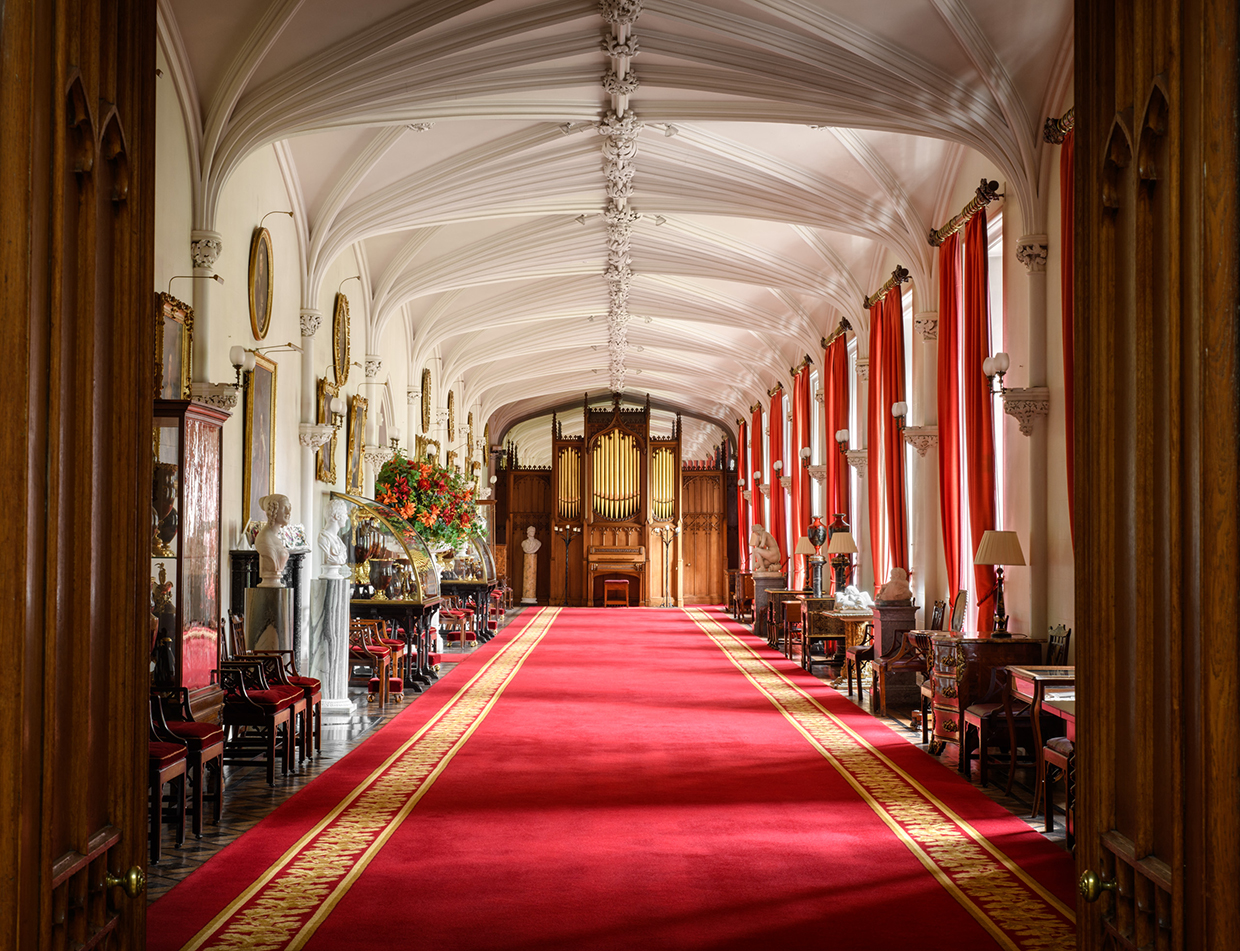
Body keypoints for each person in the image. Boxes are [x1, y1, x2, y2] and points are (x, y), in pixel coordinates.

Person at [255, 494, 291, 587]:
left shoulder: (275, 538)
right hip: (269, 585)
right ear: (273, 510)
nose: (288, 512)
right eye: (284, 508)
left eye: (289, 507)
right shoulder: (264, 538)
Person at [318, 498, 349, 579]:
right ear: (337, 516)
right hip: (328, 575)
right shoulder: (323, 539)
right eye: (345, 514)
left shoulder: (338, 541)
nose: (347, 518)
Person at [521, 525, 540, 604]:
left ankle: (531, 597)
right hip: (527, 558)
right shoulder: (524, 543)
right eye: (530, 531)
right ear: (527, 533)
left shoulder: (538, 543)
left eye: (533, 531)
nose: (532, 533)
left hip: (533, 558)